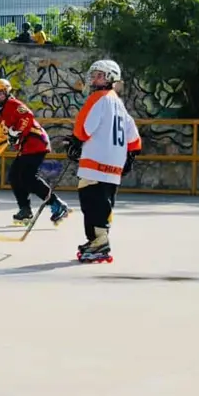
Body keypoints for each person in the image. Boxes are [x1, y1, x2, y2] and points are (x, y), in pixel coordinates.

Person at [66, 59, 141, 263]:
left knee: (91, 201)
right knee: (103, 202)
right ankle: (99, 239)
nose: (94, 78)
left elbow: (84, 126)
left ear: (110, 78)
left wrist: (75, 141)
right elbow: (133, 135)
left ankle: (100, 242)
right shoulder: (118, 102)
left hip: (95, 163)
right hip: (113, 165)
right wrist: (131, 156)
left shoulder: (98, 98)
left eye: (99, 75)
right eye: (94, 74)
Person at [0, 78, 69, 226]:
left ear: (7, 92)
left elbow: (27, 116)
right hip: (26, 148)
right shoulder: (3, 115)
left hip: (36, 143)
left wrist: (17, 131)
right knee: (15, 176)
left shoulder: (13, 104)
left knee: (28, 177)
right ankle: (25, 210)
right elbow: (0, 138)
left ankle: (57, 204)